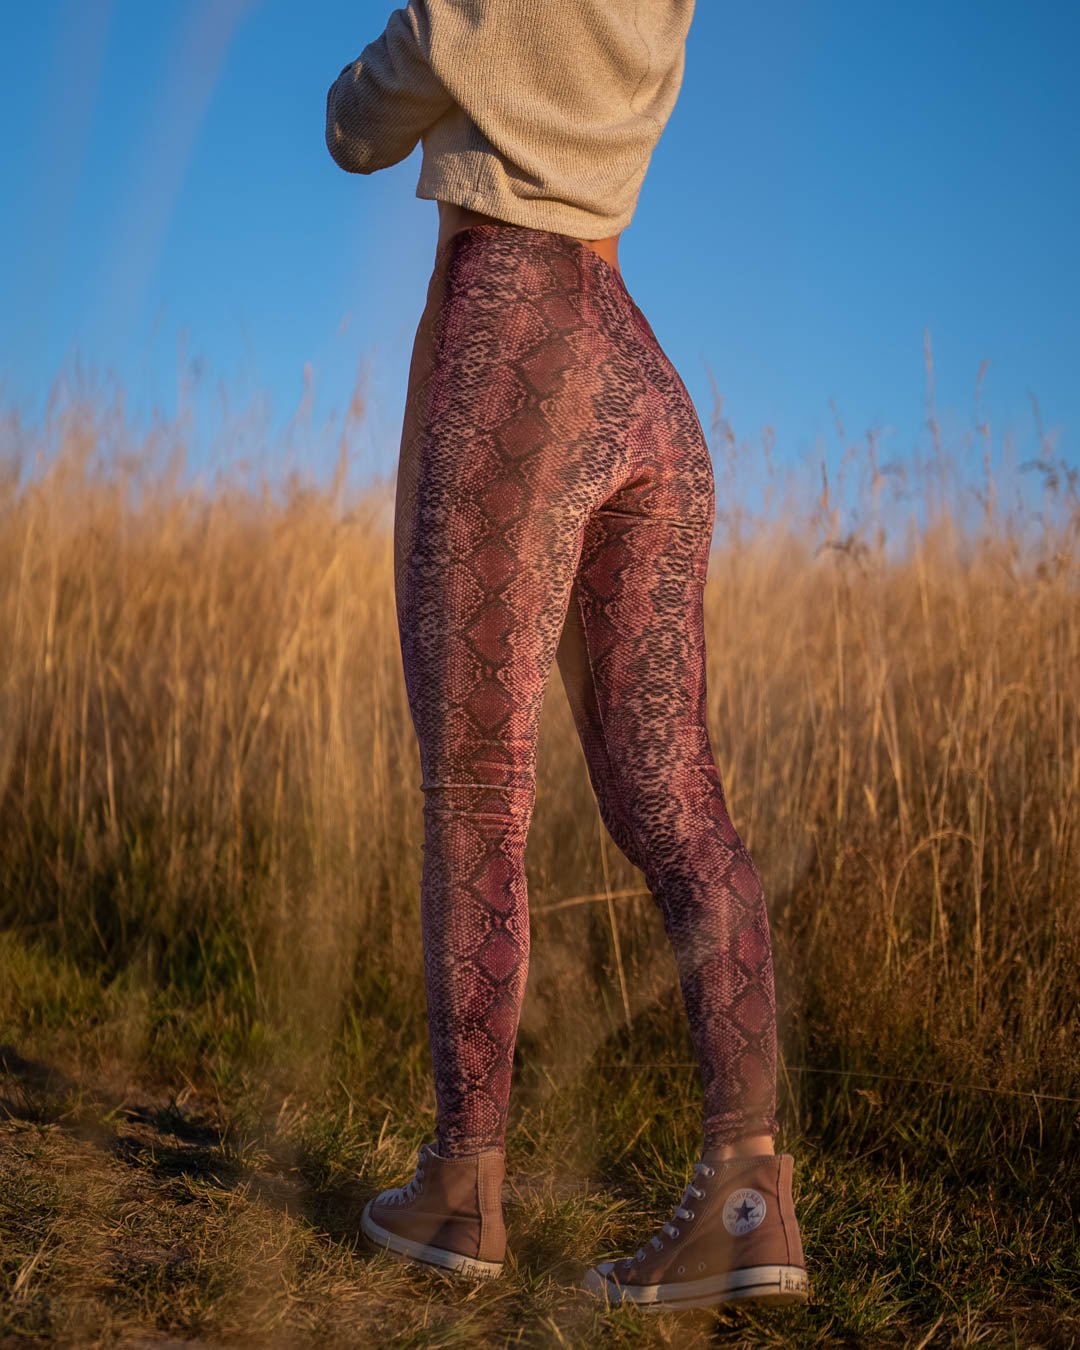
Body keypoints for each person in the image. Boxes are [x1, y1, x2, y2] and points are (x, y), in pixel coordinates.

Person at [324, 0, 809, 1310]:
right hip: (637, 359)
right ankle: (750, 1197)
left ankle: (463, 1183)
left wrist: (354, 97)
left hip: (516, 335)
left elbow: (381, 100)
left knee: (478, 783)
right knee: (678, 795)